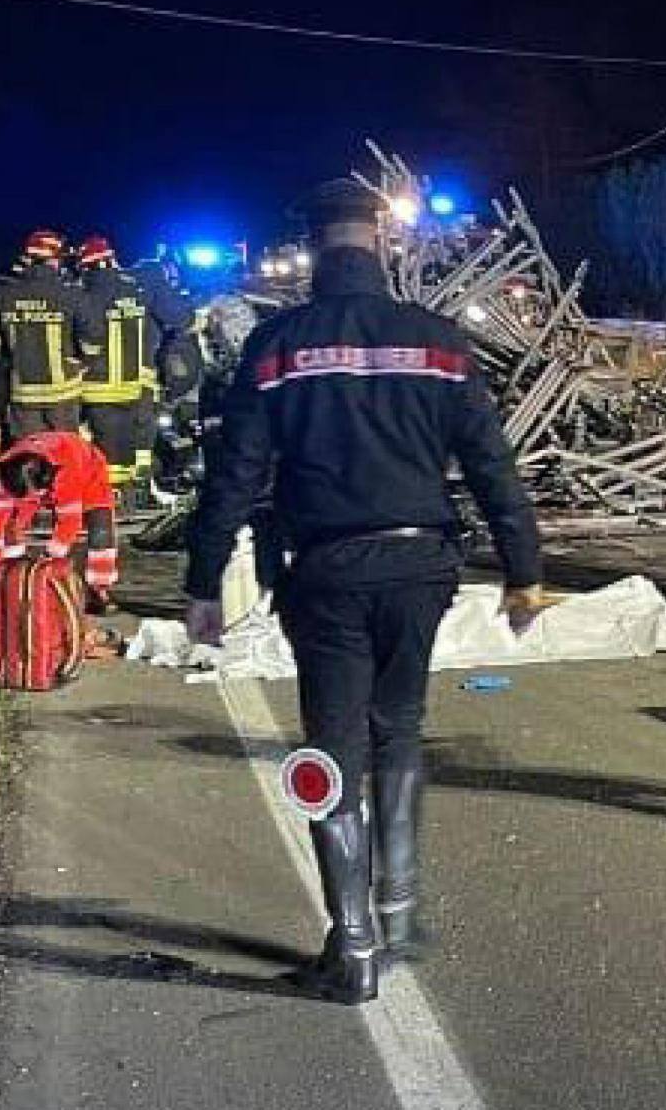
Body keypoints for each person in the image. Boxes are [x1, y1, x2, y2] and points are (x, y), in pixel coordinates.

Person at [184, 178, 545, 1005]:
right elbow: (492, 464)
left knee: (332, 748)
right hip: (423, 569)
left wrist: (204, 582)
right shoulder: (441, 341)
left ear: (315, 246)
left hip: (326, 574)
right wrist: (523, 570)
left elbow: (233, 477)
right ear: (381, 243)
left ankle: (353, 947)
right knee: (402, 729)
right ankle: (400, 911)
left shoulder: (275, 348)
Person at [77, 235, 192, 501]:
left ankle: (112, 496)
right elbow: (179, 317)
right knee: (140, 438)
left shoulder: (82, 292)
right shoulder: (140, 286)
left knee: (110, 443)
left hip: (98, 386)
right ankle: (138, 489)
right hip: (139, 381)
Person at [0, 230, 105, 439]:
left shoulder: (6, 293)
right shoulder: (69, 293)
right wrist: (84, 361)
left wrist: (4, 355)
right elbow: (94, 335)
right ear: (54, 260)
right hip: (64, 396)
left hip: (24, 395)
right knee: (63, 454)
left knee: (29, 455)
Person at [0, 430, 120, 601]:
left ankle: (100, 588)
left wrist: (50, 557)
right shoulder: (2, 476)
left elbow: (69, 522)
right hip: (38, 477)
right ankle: (12, 576)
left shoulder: (67, 469)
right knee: (11, 523)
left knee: (101, 528)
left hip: (89, 473)